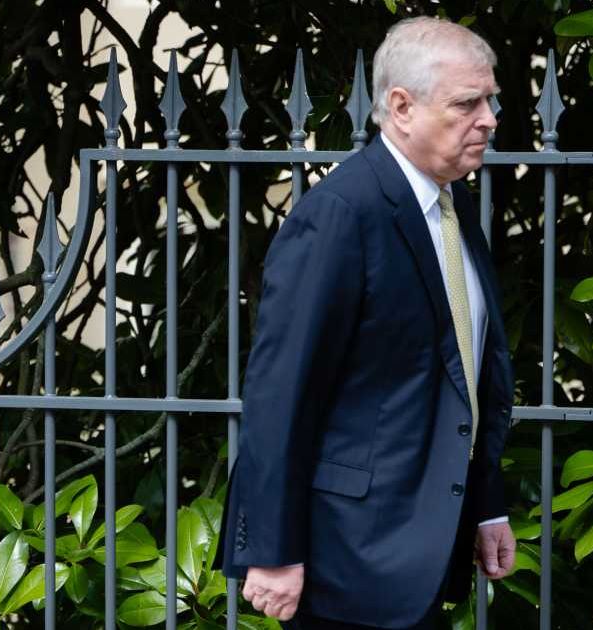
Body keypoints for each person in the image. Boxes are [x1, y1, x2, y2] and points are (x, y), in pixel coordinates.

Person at [217, 17, 517, 630]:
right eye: (467, 103)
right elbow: (281, 396)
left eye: (490, 101)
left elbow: (464, 375)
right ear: (401, 107)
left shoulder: (451, 205)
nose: (488, 118)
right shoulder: (340, 216)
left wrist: (485, 507)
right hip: (346, 561)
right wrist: (272, 554)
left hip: (422, 551)